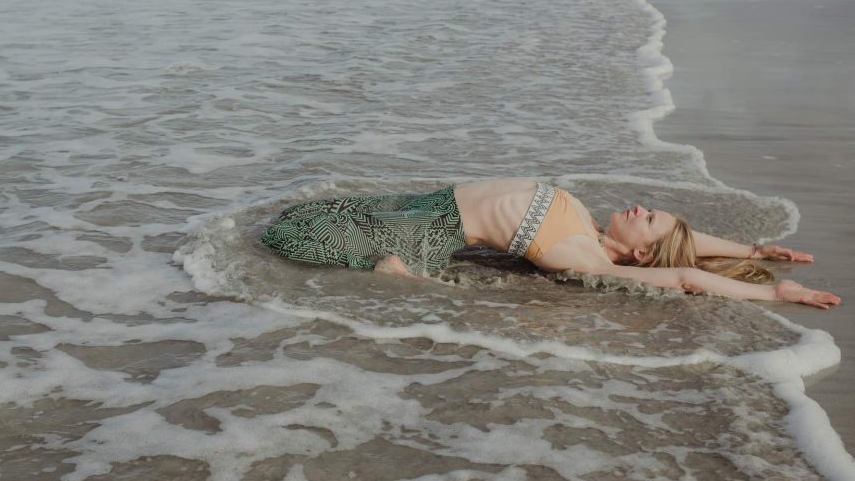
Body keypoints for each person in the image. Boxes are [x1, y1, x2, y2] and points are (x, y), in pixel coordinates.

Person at [260, 178, 841, 309]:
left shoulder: (582, 257)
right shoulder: (590, 228)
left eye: (649, 218)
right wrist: (754, 251)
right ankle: (386, 261)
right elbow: (686, 245)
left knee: (288, 232)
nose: (641, 207)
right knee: (305, 214)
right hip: (423, 203)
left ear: (640, 253)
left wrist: (776, 294)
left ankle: (388, 269)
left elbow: (683, 274)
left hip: (421, 230)